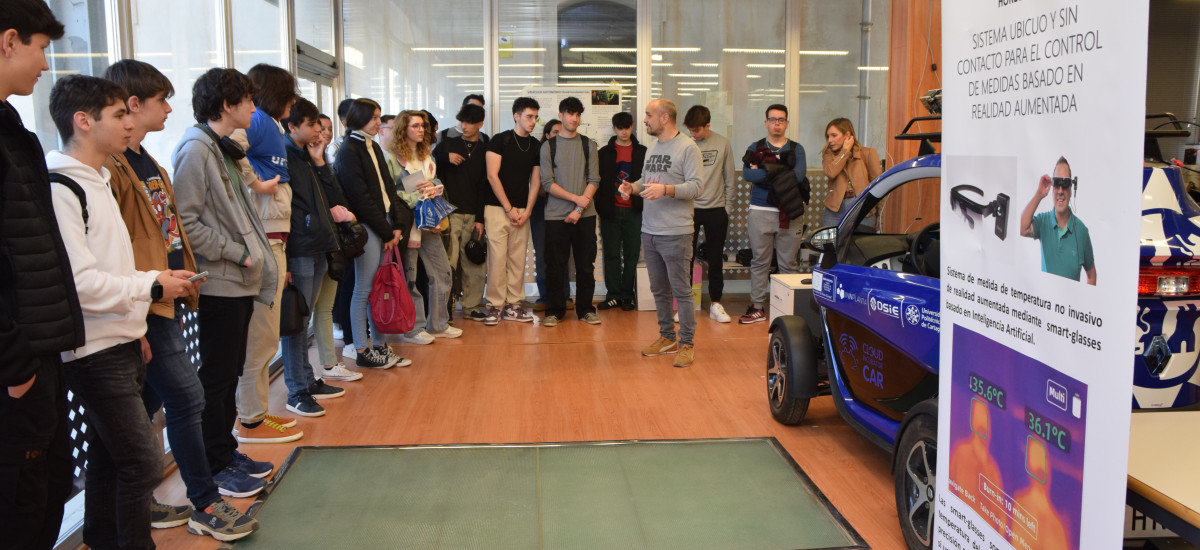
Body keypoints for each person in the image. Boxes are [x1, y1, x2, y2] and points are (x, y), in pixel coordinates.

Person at [101, 59, 259, 540]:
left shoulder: (148, 158)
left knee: (146, 400)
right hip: (143, 299)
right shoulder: (112, 165)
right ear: (131, 106)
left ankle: (135, 502)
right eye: (160, 100)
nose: (169, 108)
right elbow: (129, 238)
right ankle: (205, 501)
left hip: (168, 293)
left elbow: (168, 226)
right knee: (189, 395)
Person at [47, 74, 198, 550]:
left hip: (121, 338)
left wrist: (135, 328)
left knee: (111, 459)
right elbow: (81, 284)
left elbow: (112, 264)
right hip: (92, 349)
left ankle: (101, 538)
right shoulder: (62, 187)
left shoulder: (102, 179)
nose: (128, 123)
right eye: (118, 115)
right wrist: (151, 283)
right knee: (142, 461)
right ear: (83, 122)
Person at [172, 67, 279, 500]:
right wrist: (238, 252)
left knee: (228, 372)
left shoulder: (223, 149)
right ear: (226, 105)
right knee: (216, 376)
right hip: (218, 282)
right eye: (248, 101)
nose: (254, 109)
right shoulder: (195, 149)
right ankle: (215, 464)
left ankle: (225, 450)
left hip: (239, 281)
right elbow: (186, 222)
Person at [0, 6, 84, 548]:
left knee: (47, 491)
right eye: (40, 48)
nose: (43, 63)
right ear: (9, 41)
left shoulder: (12, 127)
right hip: (15, 365)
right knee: (20, 505)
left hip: (37, 353)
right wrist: (14, 362)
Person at [279, 97, 360, 419]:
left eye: (320, 126)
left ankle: (307, 380)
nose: (319, 132)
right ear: (292, 126)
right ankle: (297, 389)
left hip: (317, 244)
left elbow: (333, 196)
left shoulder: (306, 156)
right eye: (312, 125)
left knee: (305, 318)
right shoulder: (284, 156)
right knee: (297, 323)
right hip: (300, 246)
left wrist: (318, 162)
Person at [619, 99, 704, 367]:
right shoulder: (653, 147)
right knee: (659, 289)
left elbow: (696, 187)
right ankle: (667, 337)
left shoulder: (688, 148)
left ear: (665, 118)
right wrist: (632, 188)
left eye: (648, 115)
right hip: (650, 229)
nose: (644, 120)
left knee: (681, 290)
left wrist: (666, 189)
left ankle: (687, 342)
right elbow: (648, 181)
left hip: (676, 232)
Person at [333, 98, 411, 367]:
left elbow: (389, 189)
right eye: (374, 118)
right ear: (359, 119)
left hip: (384, 223)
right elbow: (360, 197)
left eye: (379, 117)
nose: (380, 123)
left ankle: (380, 345)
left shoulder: (373, 147)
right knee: (364, 288)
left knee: (379, 288)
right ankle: (362, 349)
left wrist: (397, 225)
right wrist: (386, 229)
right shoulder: (348, 150)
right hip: (369, 227)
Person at [389, 110, 460, 340]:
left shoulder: (428, 156)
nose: (421, 130)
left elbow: (434, 183)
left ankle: (438, 324)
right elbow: (393, 193)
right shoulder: (391, 158)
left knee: (442, 271)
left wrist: (432, 187)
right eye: (416, 126)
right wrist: (418, 193)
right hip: (408, 224)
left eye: (423, 126)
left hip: (429, 222)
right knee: (410, 278)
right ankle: (413, 328)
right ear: (403, 129)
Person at [740, 104, 807, 324]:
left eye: (781, 120)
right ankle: (757, 307)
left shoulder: (797, 149)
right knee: (760, 261)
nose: (776, 124)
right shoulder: (756, 146)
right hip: (760, 211)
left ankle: (787, 308)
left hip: (789, 211)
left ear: (786, 123)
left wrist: (766, 170)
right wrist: (781, 172)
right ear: (766, 122)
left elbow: (797, 176)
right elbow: (749, 174)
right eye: (772, 119)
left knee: (788, 263)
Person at [540, 96, 601, 327]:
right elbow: (548, 183)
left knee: (586, 265)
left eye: (577, 115)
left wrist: (578, 208)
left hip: (585, 216)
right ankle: (554, 310)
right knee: (555, 265)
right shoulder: (549, 146)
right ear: (561, 115)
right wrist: (576, 199)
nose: (574, 118)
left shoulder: (589, 145)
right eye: (570, 114)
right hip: (556, 216)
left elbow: (594, 179)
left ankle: (586, 309)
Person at [482, 97, 542, 325]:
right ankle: (494, 306)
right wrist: (508, 208)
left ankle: (513, 305)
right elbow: (491, 175)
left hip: (522, 210)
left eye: (536, 117)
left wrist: (527, 210)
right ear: (516, 116)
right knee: (497, 259)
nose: (533, 121)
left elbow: (535, 182)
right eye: (529, 116)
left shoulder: (535, 145)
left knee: (518, 259)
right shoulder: (500, 140)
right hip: (497, 208)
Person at [434, 103, 489, 322]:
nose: (463, 126)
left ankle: (472, 306)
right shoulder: (447, 143)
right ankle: (444, 308)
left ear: (480, 124)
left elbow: (485, 184)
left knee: (474, 261)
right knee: (449, 262)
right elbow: (429, 167)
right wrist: (444, 158)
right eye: (461, 121)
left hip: (473, 214)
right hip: (449, 212)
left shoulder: (485, 147)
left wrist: (480, 218)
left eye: (469, 123)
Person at [684, 105, 736, 323]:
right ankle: (685, 305)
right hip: (689, 209)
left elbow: (730, 178)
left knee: (715, 260)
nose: (693, 134)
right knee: (686, 258)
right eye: (690, 130)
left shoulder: (722, 143)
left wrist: (727, 208)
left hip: (716, 209)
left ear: (708, 126)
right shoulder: (684, 144)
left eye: (697, 130)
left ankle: (716, 303)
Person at [596, 111, 645, 312]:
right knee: (611, 254)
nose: (624, 132)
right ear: (614, 128)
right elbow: (597, 181)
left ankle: (628, 295)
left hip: (635, 210)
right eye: (620, 128)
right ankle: (613, 295)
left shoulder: (642, 151)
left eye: (627, 127)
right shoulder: (604, 153)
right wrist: (601, 205)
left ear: (632, 127)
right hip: (611, 210)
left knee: (632, 254)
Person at [1020, 156, 1096, 284]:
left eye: (1065, 184)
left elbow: (1091, 275)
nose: (1060, 191)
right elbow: (1022, 228)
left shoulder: (1082, 231)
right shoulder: (1043, 222)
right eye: (1057, 184)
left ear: (1071, 190)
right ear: (1052, 187)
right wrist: (1039, 194)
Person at [529, 118, 565, 311]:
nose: (559, 136)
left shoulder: (569, 154)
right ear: (547, 135)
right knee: (542, 255)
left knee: (562, 254)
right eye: (555, 133)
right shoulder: (540, 153)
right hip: (540, 209)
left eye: (562, 132)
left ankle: (564, 296)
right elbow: (539, 186)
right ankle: (544, 297)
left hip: (562, 208)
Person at [821, 117, 881, 229]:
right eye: (828, 136)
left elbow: (878, 185)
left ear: (847, 135)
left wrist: (880, 215)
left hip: (861, 206)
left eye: (834, 135)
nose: (829, 140)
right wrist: (845, 152)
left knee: (860, 244)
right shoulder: (828, 154)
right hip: (834, 209)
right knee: (830, 245)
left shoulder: (867, 153)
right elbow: (831, 173)